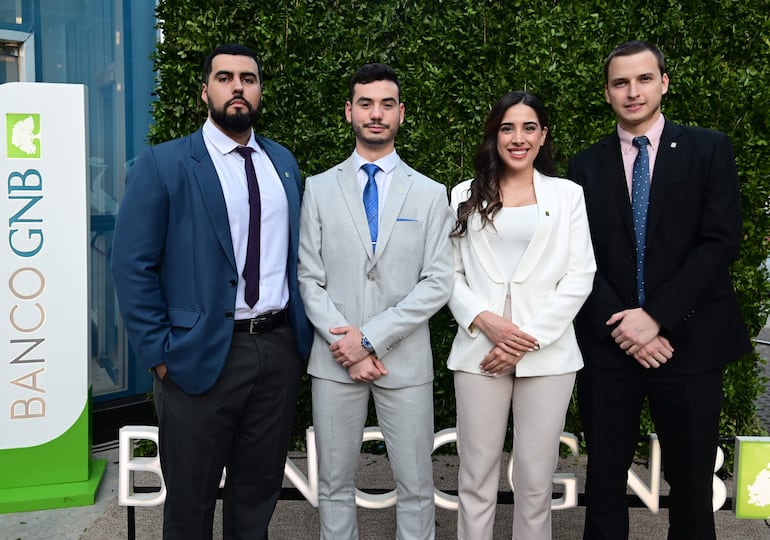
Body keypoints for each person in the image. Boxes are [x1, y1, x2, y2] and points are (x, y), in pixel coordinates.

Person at [111, 43, 312, 539]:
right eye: (225, 78)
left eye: (248, 77)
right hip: (196, 358)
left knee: (257, 498)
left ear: (260, 90)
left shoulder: (282, 163)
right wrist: (160, 355)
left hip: (276, 351)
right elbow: (132, 266)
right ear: (206, 90)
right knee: (190, 503)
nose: (238, 86)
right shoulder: (164, 164)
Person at [568, 40, 752, 540]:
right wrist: (626, 324)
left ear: (664, 82)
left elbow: (720, 242)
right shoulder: (584, 166)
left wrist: (656, 318)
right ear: (607, 93)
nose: (633, 92)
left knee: (692, 484)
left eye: (644, 79)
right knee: (604, 481)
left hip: (690, 343)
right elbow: (576, 256)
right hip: (611, 345)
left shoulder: (708, 148)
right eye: (620, 82)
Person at [297, 63, 453, 540]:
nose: (376, 113)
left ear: (401, 113)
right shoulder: (319, 188)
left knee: (416, 486)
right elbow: (309, 277)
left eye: (387, 104)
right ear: (349, 112)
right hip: (334, 361)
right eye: (366, 103)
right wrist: (347, 343)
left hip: (402, 363)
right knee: (334, 484)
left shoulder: (429, 194)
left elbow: (437, 282)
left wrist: (369, 339)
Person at [446, 91, 596, 539]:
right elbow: (447, 274)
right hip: (479, 352)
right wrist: (485, 321)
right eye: (507, 128)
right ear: (494, 135)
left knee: (535, 481)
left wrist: (525, 339)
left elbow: (580, 274)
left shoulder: (568, 196)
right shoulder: (462, 195)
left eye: (529, 127)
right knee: (475, 476)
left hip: (548, 357)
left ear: (543, 135)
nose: (518, 137)